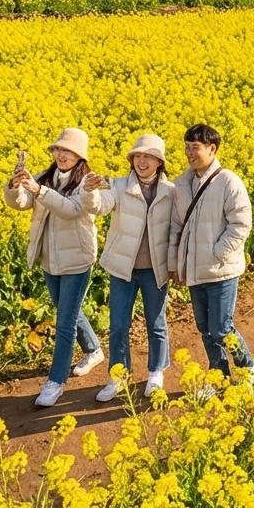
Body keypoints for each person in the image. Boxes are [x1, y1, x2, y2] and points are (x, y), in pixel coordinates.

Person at [3, 128, 103, 408]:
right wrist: (14, 187)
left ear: (79, 156)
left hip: (77, 260)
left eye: (68, 151)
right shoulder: (45, 178)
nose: (61, 155)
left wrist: (39, 191)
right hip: (50, 259)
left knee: (65, 323)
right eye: (58, 150)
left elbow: (70, 209)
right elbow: (22, 203)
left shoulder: (86, 183)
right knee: (67, 311)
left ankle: (56, 382)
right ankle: (94, 349)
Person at [81, 134, 175, 402]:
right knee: (118, 324)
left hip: (154, 269)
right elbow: (100, 206)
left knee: (156, 323)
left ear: (159, 161)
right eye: (137, 156)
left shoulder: (170, 192)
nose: (141, 161)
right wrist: (89, 191)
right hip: (123, 268)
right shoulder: (120, 186)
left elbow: (178, 228)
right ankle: (118, 375)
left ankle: (156, 371)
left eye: (148, 156)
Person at [169, 123, 254, 391]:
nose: (189, 153)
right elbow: (176, 226)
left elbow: (241, 223)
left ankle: (247, 366)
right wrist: (176, 264)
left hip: (221, 270)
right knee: (205, 327)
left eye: (194, 147)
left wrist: (217, 253)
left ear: (212, 148)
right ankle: (218, 375)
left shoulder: (228, 181)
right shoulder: (182, 184)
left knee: (221, 327)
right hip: (195, 270)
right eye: (186, 147)